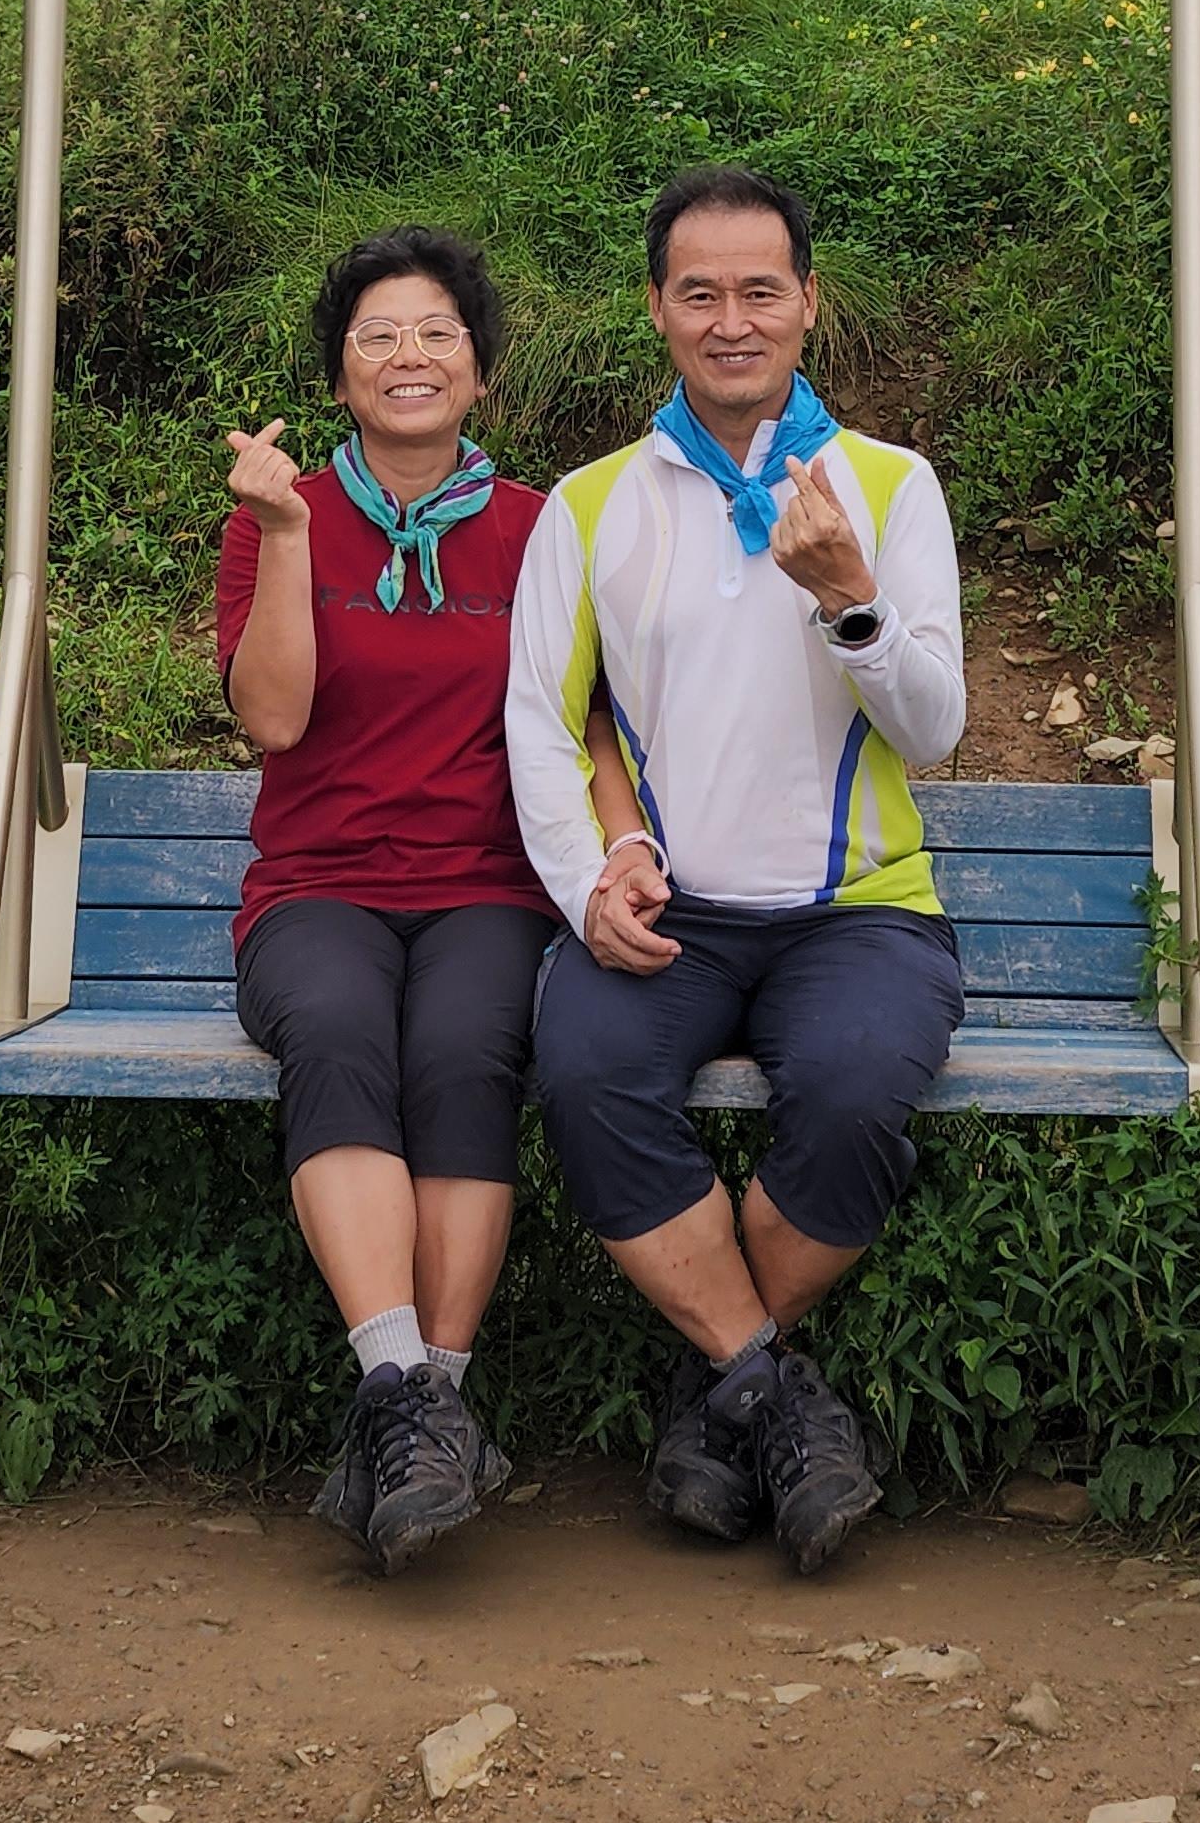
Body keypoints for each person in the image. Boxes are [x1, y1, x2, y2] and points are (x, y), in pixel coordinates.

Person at [506, 164, 968, 1575]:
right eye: (697, 293)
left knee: (855, 1096)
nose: (730, 321)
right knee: (585, 1074)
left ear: (808, 303)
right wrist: (592, 877)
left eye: (760, 291)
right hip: (676, 917)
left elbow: (934, 731)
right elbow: (541, 720)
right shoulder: (591, 503)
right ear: (656, 309)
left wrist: (849, 597)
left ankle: (717, 1392)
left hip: (858, 914)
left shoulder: (887, 486)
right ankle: (774, 1395)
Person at [219, 225, 560, 1577]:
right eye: (377, 335)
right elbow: (274, 719)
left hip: (486, 886)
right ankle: (408, 1396)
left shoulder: (539, 530)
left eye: (436, 333)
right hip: (319, 886)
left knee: (468, 1046)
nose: (408, 354)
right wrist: (285, 538)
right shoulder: (281, 514)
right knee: (338, 1031)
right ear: (340, 372)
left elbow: (582, 722)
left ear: (478, 368)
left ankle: (424, 1414)